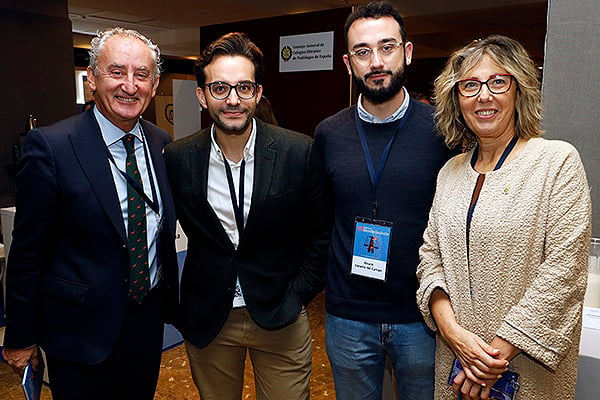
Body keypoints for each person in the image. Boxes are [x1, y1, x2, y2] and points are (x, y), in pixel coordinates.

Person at [2, 27, 179, 400]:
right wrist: (20, 336)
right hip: (79, 334)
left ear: (154, 82)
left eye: (141, 74)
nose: (129, 85)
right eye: (116, 72)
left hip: (146, 326)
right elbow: (27, 252)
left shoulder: (161, 143)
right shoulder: (52, 146)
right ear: (93, 79)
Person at [416, 34, 591, 400]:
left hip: (523, 368)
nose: (484, 96)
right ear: (455, 98)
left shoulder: (556, 162)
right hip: (456, 363)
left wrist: (491, 358)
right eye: (470, 85)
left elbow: (564, 273)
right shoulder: (450, 171)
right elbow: (430, 260)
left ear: (519, 89)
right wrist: (455, 336)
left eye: (498, 81)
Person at [163, 32, 330, 400]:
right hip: (209, 320)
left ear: (258, 93)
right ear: (202, 96)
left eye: (243, 87)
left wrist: (299, 294)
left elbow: (321, 233)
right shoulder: (178, 158)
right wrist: (176, 306)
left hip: (280, 315)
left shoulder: (296, 151)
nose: (233, 100)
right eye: (220, 88)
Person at [313, 2, 456, 399]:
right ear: (348, 63)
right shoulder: (328, 134)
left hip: (422, 316)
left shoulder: (443, 132)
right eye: (362, 52)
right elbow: (320, 221)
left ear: (407, 53)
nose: (376, 62)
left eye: (387, 47)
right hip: (348, 316)